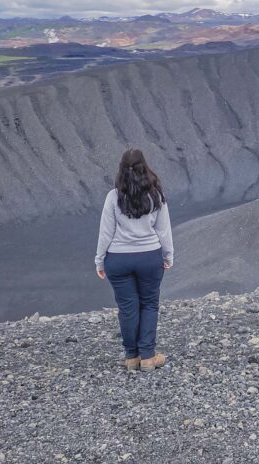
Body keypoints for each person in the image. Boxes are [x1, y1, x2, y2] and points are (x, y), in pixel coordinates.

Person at [95, 148, 174, 371]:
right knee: (149, 304)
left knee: (127, 307)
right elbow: (164, 230)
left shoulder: (113, 197)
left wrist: (100, 261)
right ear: (144, 168)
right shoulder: (156, 195)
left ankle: (132, 357)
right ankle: (148, 356)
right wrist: (168, 256)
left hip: (118, 259)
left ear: (121, 170)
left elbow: (105, 233)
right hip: (149, 257)